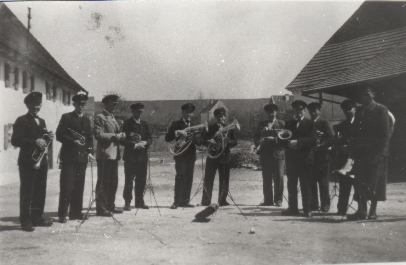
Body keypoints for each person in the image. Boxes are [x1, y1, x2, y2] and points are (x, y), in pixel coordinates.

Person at [11, 92, 54, 231]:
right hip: (27, 162)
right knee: (27, 192)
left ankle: (37, 217)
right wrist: (34, 141)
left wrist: (48, 137)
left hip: (41, 161)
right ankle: (25, 221)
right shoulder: (21, 120)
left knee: (40, 190)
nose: (37, 107)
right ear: (28, 105)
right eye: (34, 105)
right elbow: (15, 140)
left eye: (39, 104)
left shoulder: (42, 121)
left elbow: (44, 140)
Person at [348, 86, 392, 220]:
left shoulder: (381, 109)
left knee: (375, 183)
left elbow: (385, 134)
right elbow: (355, 131)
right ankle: (362, 210)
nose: (364, 97)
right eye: (362, 95)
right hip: (361, 153)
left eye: (367, 94)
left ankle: (372, 211)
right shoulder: (360, 110)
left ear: (373, 95)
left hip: (376, 153)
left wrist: (380, 153)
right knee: (360, 182)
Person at [56, 92, 93, 223]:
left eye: (84, 104)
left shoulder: (87, 119)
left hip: (82, 158)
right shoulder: (66, 117)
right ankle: (62, 214)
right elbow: (59, 135)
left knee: (79, 186)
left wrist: (90, 151)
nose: (82, 107)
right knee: (66, 186)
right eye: (79, 104)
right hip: (69, 157)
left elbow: (89, 138)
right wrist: (73, 141)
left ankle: (76, 213)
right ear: (74, 104)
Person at [94, 94, 126, 216]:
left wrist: (122, 135)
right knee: (103, 182)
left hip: (114, 155)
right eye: (113, 103)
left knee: (113, 182)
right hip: (104, 155)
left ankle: (110, 206)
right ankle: (101, 208)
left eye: (116, 104)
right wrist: (114, 136)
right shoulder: (100, 117)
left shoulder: (113, 117)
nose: (115, 106)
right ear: (106, 104)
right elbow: (98, 135)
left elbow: (117, 133)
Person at [282, 100, 314, 217]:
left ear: (304, 111)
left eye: (300, 109)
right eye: (296, 109)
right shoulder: (289, 123)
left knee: (305, 185)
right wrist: (286, 143)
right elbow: (284, 139)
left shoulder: (310, 123)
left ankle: (307, 210)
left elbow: (313, 140)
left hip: (305, 159)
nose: (298, 111)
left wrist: (298, 142)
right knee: (291, 185)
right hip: (292, 160)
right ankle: (293, 208)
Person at [201, 107, 238, 207]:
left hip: (224, 156)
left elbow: (235, 141)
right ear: (216, 118)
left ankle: (222, 200)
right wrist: (208, 141)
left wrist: (226, 141)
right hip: (212, 156)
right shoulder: (211, 127)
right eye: (219, 117)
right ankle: (205, 200)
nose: (221, 119)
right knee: (208, 178)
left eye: (223, 117)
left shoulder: (230, 127)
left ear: (225, 118)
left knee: (224, 178)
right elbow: (203, 139)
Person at [165, 103, 198, 209]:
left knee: (189, 178)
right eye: (187, 112)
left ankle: (185, 201)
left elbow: (199, 140)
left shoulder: (195, 124)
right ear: (182, 112)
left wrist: (197, 138)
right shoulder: (175, 124)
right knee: (180, 177)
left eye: (191, 112)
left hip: (191, 155)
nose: (189, 114)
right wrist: (177, 133)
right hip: (180, 155)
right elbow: (167, 138)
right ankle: (176, 201)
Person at [254, 103, 286, 207]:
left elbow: (286, 139)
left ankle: (278, 200)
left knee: (279, 178)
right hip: (266, 154)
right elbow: (256, 138)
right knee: (266, 177)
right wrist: (262, 134)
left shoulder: (282, 124)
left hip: (278, 154)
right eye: (269, 112)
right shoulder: (261, 124)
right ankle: (268, 200)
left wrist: (274, 139)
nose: (271, 114)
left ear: (276, 112)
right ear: (267, 113)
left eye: (273, 112)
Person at [122, 103, 152, 210]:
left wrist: (145, 143)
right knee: (129, 180)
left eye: (140, 112)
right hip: (131, 157)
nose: (139, 114)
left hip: (142, 157)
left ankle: (139, 201)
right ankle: (127, 202)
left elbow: (150, 138)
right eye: (137, 111)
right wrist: (134, 145)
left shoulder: (145, 124)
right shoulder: (127, 123)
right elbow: (123, 140)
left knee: (141, 180)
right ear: (132, 112)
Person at [307, 102, 335, 212]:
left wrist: (321, 144)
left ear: (319, 111)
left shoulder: (324, 122)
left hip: (323, 157)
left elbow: (331, 138)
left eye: (315, 110)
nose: (313, 113)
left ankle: (325, 205)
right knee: (312, 182)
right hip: (311, 157)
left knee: (323, 182)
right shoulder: (308, 123)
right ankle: (314, 204)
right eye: (311, 111)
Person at [333, 99, 358, 216]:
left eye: (349, 109)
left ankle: (361, 210)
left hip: (357, 158)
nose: (347, 112)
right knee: (344, 186)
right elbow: (338, 141)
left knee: (358, 185)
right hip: (345, 159)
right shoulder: (341, 125)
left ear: (354, 109)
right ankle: (341, 209)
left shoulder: (361, 123)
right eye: (345, 110)